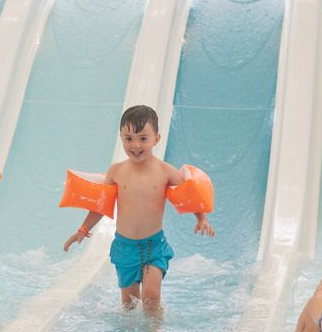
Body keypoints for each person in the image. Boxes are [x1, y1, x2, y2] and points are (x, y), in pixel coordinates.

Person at [63, 105, 214, 312]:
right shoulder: (116, 171)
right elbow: (101, 206)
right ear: (121, 137)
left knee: (151, 298)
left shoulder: (165, 171)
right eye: (129, 138)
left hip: (154, 246)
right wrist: (82, 229)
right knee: (129, 304)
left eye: (143, 138)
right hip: (125, 247)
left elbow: (189, 193)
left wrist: (201, 218)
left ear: (157, 139)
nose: (135, 145)